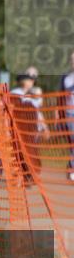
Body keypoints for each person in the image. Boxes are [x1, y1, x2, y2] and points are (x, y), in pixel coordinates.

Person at [9, 70, 45, 183]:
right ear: (22, 81)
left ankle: (30, 174)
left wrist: (43, 126)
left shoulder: (33, 95)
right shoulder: (15, 93)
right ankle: (23, 175)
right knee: (21, 152)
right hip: (20, 128)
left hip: (33, 128)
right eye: (29, 80)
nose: (31, 82)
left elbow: (38, 111)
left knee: (32, 152)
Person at [59, 51, 74, 181]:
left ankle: (70, 166)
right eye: (72, 59)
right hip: (70, 113)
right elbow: (60, 97)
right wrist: (59, 116)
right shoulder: (66, 77)